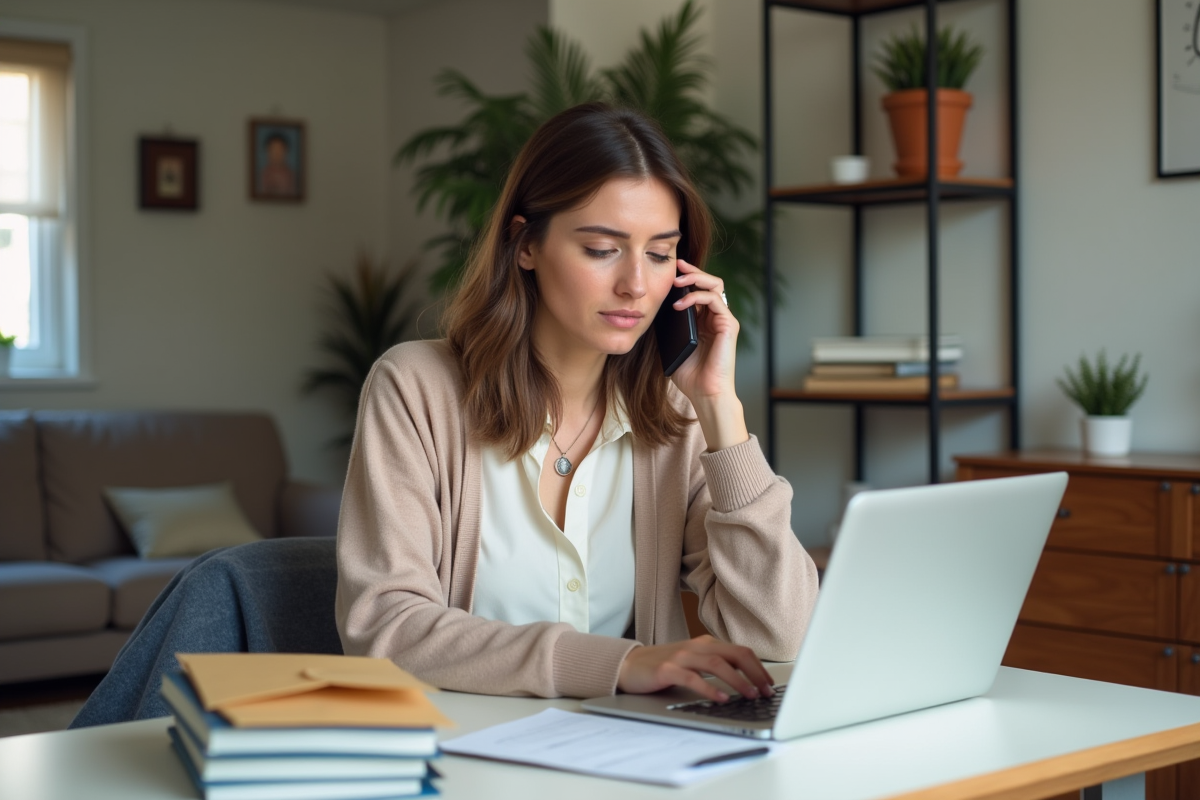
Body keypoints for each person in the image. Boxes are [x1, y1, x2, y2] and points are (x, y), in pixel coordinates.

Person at [335, 102, 819, 704]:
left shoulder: (675, 415)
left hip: (631, 758)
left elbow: (780, 635)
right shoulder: (414, 390)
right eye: (601, 249)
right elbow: (384, 624)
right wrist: (617, 665)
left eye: (661, 253)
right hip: (461, 757)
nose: (637, 286)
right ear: (525, 245)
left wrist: (721, 408)